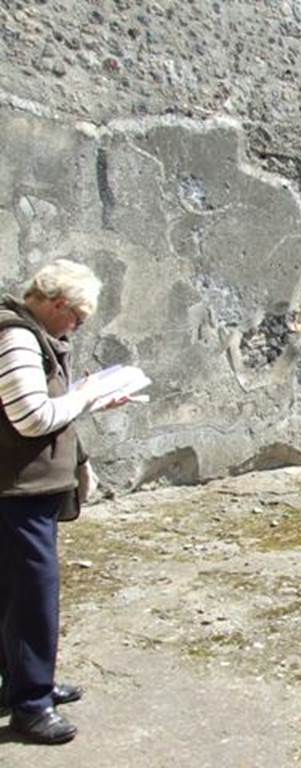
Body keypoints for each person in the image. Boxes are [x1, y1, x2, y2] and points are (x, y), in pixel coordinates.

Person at [0, 259, 123, 744]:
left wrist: (88, 397)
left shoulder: (31, 335)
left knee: (13, 591)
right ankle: (32, 705)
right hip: (17, 491)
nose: (77, 329)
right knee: (33, 596)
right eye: (77, 318)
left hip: (24, 489)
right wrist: (87, 396)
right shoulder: (16, 337)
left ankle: (22, 683)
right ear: (55, 305)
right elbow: (31, 417)